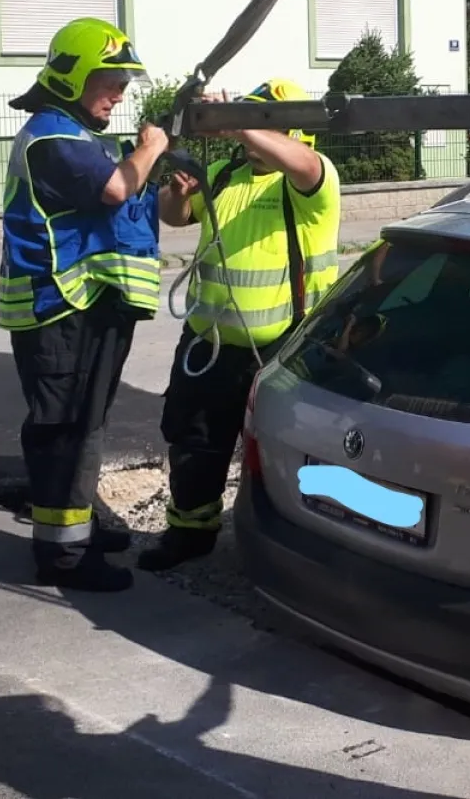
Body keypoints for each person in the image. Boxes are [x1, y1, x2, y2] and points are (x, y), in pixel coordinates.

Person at [137, 79, 342, 571]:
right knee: (194, 442)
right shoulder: (225, 173)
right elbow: (175, 216)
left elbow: (306, 166)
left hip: (280, 352)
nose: (248, 134)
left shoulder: (310, 179)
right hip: (208, 344)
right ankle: (191, 532)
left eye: (262, 121)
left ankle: (292, 538)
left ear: (292, 129)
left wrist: (237, 124)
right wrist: (177, 195)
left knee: (283, 451)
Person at [0, 17, 167, 592]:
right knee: (66, 431)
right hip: (59, 310)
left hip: (84, 308)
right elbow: (115, 189)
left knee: (84, 424)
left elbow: (123, 202)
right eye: (110, 80)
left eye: (124, 82)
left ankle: (79, 529)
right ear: (73, 78)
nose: (119, 93)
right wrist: (151, 148)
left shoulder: (78, 136)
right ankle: (64, 557)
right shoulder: (53, 137)